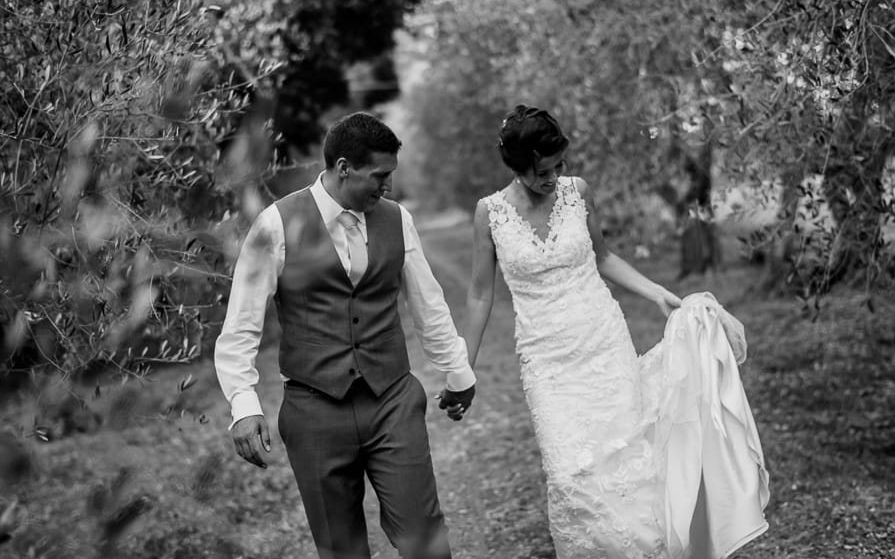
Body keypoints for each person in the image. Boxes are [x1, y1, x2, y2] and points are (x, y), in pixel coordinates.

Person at [462, 105, 768, 558]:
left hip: (604, 341)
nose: (554, 177)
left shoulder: (576, 192)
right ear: (518, 167)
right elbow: (478, 295)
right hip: (547, 362)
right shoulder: (489, 214)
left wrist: (655, 292)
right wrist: (462, 366)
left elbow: (603, 257)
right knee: (570, 475)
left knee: (629, 462)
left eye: (559, 165)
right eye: (543, 171)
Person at [214, 112, 476, 559]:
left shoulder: (397, 219)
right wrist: (244, 405)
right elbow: (240, 327)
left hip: (391, 399)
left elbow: (428, 305)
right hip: (315, 411)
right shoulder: (276, 226)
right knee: (342, 549)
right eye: (380, 176)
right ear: (342, 168)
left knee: (425, 538)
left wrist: (458, 373)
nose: (388, 187)